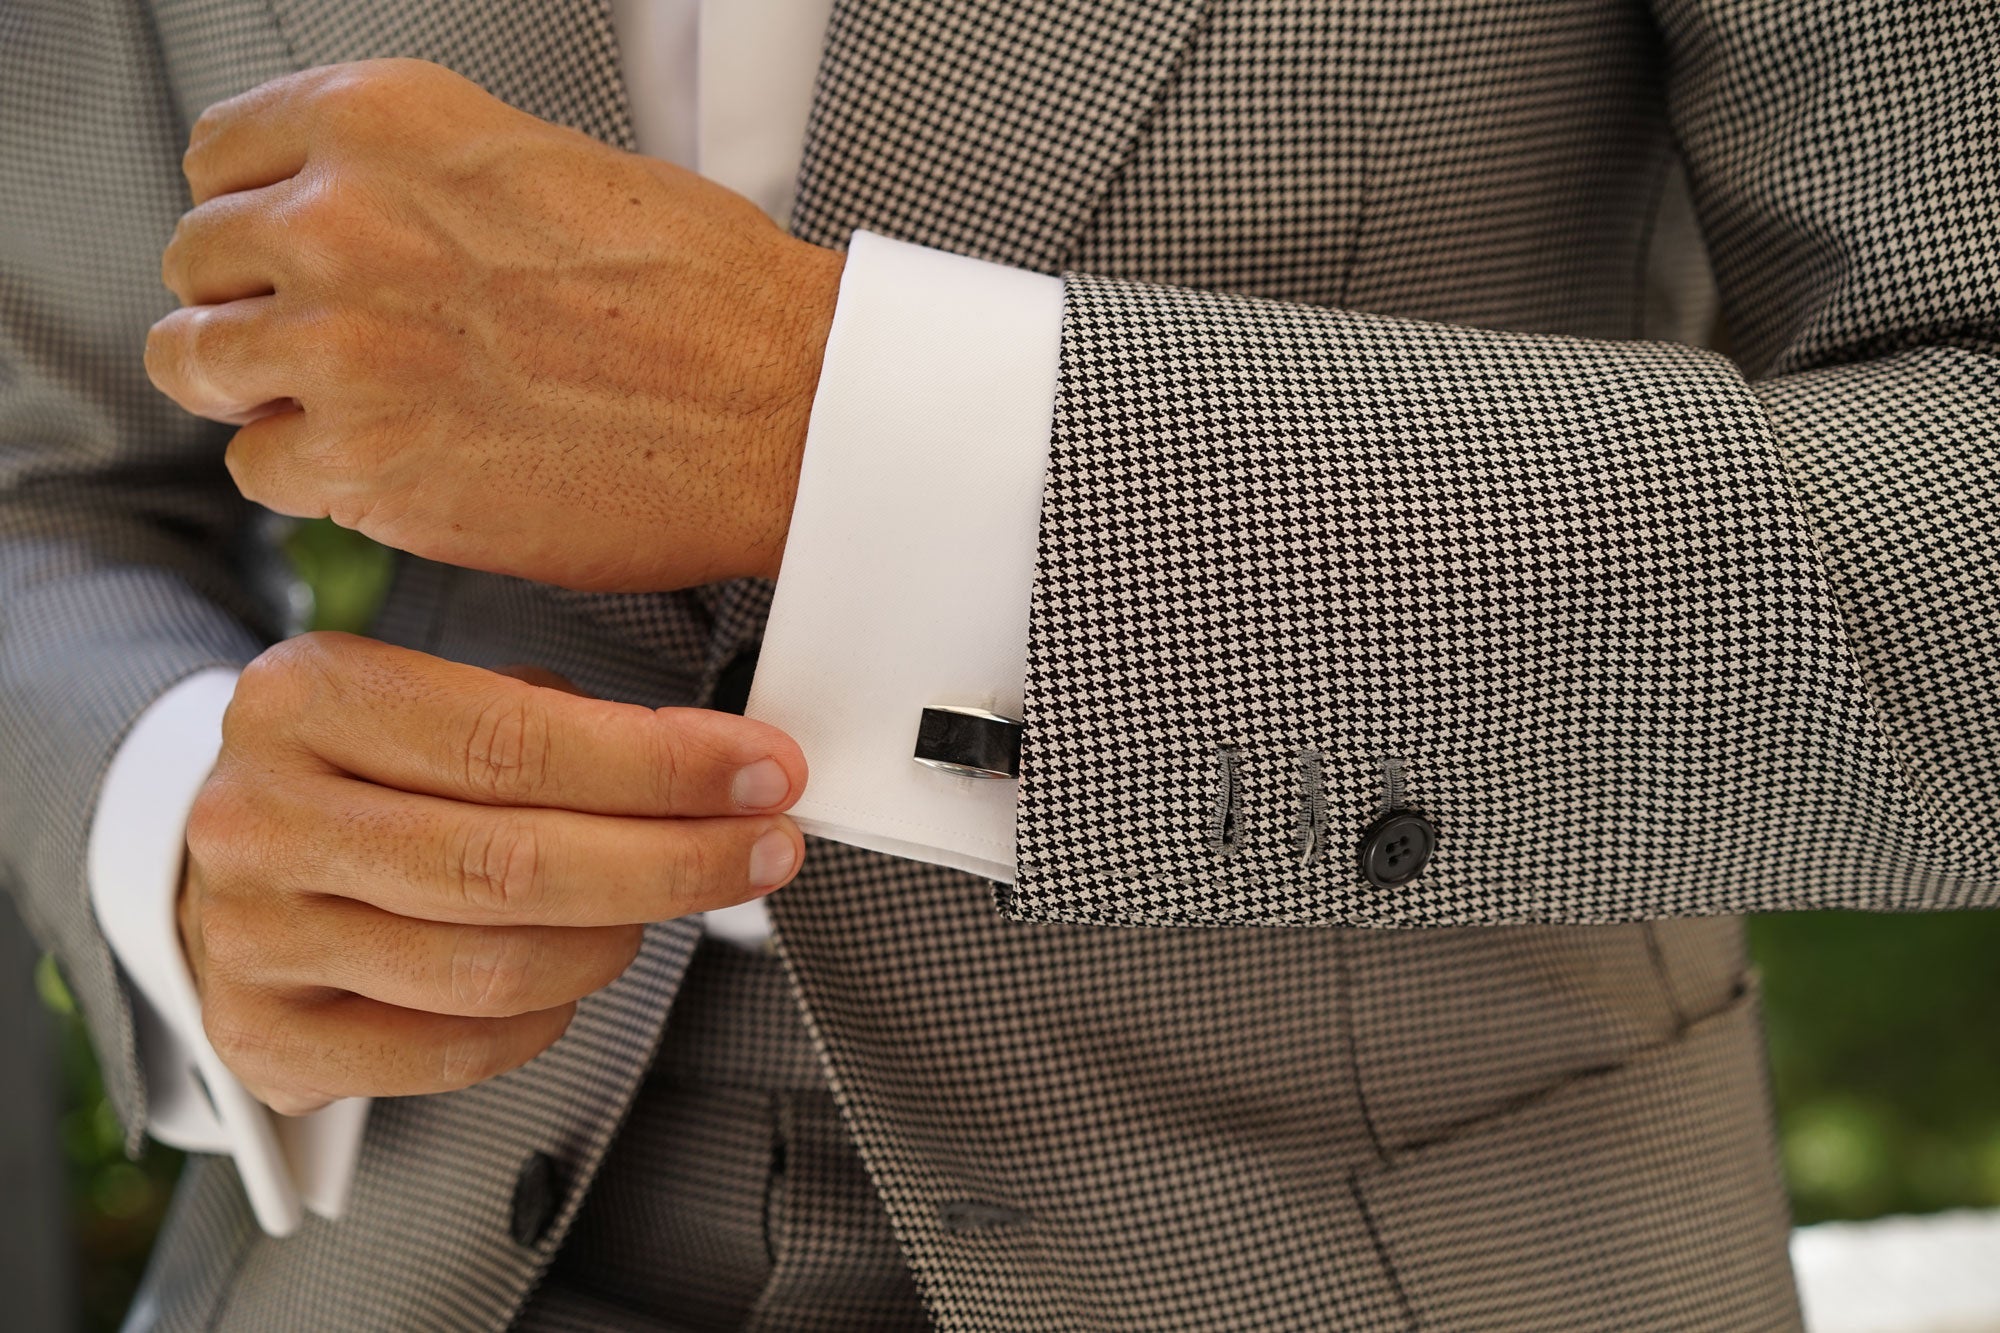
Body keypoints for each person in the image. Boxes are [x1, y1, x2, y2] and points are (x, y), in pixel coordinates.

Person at [2, 0, 1994, 1327]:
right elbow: (46, 488)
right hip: (391, 1234)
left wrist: (838, 427)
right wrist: (167, 814)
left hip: (1404, 1235)